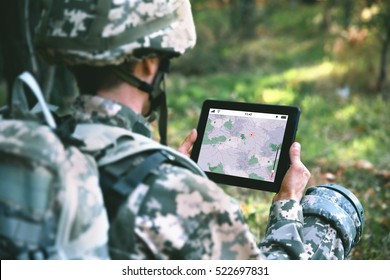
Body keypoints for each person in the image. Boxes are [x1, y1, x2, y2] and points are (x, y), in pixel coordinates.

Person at [33, 0, 363, 260]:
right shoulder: (185, 198)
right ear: (150, 64)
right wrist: (288, 203)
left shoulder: (28, 141)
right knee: (331, 207)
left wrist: (155, 167)